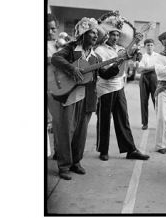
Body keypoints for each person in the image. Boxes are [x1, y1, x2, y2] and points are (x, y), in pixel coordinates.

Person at [51, 17, 120, 180]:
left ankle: (76, 162)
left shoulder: (95, 56)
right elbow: (56, 58)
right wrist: (71, 69)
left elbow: (103, 74)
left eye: (97, 33)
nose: (96, 36)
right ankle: (64, 166)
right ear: (83, 34)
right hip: (70, 95)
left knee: (81, 133)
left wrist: (117, 63)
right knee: (66, 132)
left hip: (87, 97)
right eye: (92, 33)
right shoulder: (72, 47)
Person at [94, 11, 150, 161]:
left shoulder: (120, 49)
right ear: (107, 35)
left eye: (117, 35)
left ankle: (130, 149)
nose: (115, 37)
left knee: (123, 119)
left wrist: (136, 53)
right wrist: (117, 63)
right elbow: (104, 73)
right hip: (105, 88)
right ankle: (103, 150)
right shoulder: (99, 51)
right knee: (104, 120)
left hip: (119, 87)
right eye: (112, 34)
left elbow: (132, 55)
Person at [136, 39, 159, 130]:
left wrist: (146, 68)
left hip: (154, 78)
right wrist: (151, 68)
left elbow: (157, 67)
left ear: (153, 46)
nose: (149, 47)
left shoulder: (157, 56)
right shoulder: (142, 57)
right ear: (145, 46)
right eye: (147, 45)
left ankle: (160, 123)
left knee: (156, 101)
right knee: (144, 101)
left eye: (151, 45)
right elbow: (140, 69)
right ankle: (144, 123)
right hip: (144, 79)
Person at [47, 13, 60, 159]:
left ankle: (57, 151)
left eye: (52, 29)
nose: (50, 32)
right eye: (47, 29)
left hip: (56, 87)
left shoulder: (58, 44)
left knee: (57, 122)